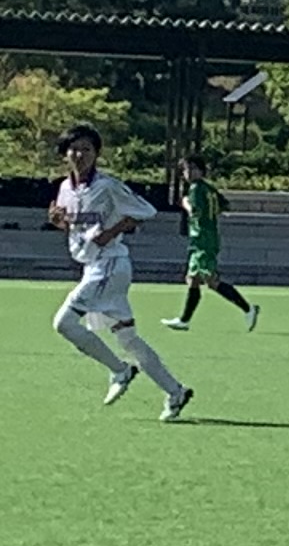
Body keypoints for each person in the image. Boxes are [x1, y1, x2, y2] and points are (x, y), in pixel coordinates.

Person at [47, 125, 189, 420]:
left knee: (64, 323)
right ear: (64, 154)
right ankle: (176, 391)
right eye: (74, 149)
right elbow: (75, 225)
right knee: (128, 338)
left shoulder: (108, 186)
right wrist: (59, 222)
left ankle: (120, 370)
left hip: (109, 265)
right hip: (93, 267)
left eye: (87, 149)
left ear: (97, 153)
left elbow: (145, 211)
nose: (80, 155)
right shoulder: (64, 189)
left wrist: (112, 231)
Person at [163, 156, 262, 333]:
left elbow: (195, 211)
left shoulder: (196, 189)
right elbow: (225, 205)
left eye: (193, 168)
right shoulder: (209, 189)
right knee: (194, 279)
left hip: (203, 239)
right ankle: (185, 320)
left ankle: (248, 309)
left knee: (210, 280)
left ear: (201, 171)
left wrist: (185, 203)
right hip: (206, 237)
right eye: (186, 169)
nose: (189, 172)